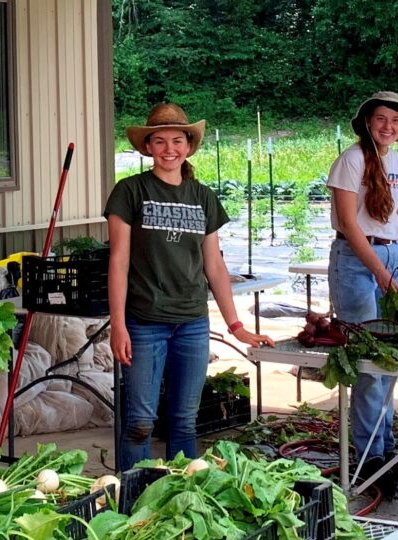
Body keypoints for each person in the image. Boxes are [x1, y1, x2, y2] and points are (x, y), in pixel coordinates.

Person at [105, 102, 275, 470]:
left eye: (177, 141)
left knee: (184, 422)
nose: (169, 149)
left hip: (193, 324)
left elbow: (214, 265)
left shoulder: (202, 196)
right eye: (160, 141)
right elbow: (117, 260)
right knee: (139, 422)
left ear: (188, 146)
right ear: (147, 147)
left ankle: (178, 500)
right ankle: (130, 503)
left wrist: (236, 325)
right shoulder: (130, 191)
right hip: (144, 322)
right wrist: (117, 324)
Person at [326, 91, 398, 476]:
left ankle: (386, 446)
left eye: (395, 121)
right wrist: (380, 274)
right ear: (368, 122)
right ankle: (369, 458)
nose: (388, 126)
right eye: (381, 119)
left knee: (390, 358)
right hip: (354, 259)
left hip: (391, 255)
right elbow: (350, 223)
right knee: (368, 362)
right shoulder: (350, 161)